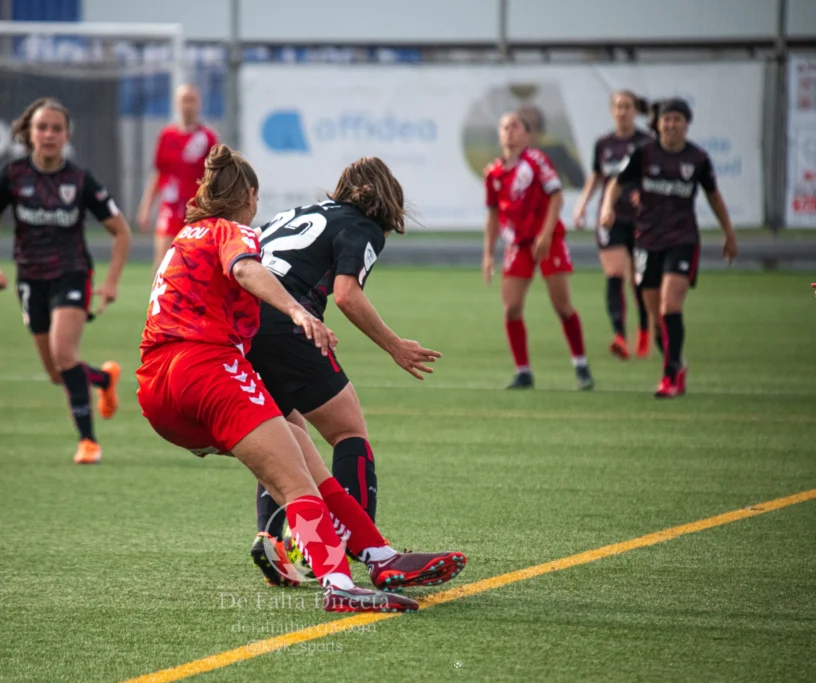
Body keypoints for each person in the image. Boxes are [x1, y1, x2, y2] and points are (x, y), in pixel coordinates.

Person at [136, 144, 466, 612]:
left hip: (156, 389)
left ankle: (380, 555)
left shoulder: (184, 237)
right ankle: (340, 584)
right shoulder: (232, 230)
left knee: (304, 457)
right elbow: (247, 269)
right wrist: (295, 309)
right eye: (255, 197)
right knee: (301, 483)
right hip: (207, 370)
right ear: (248, 193)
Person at [245, 157, 442, 586]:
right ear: (386, 200)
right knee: (348, 430)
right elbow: (347, 295)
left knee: (280, 432)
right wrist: (395, 346)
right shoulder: (363, 224)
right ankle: (359, 547)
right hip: (288, 323)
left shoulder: (296, 213)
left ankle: (271, 537)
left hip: (242, 324)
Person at [0, 97, 132, 464]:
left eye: (56, 129)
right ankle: (102, 380)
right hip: (30, 278)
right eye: (42, 128)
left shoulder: (80, 181)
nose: (49, 134)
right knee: (55, 372)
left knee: (64, 356)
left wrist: (110, 283)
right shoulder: (12, 176)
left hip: (72, 273)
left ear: (67, 136)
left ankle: (88, 443)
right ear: (29, 134)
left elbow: (121, 232)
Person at [601, 98, 738, 398]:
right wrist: (607, 208)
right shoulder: (644, 153)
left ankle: (669, 377)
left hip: (682, 239)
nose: (672, 124)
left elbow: (714, 197)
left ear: (687, 124)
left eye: (677, 119)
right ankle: (677, 363)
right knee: (655, 319)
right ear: (658, 123)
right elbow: (616, 183)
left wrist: (729, 232)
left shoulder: (697, 159)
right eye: (667, 119)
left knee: (670, 307)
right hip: (647, 240)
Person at [483, 112, 594, 391]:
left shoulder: (536, 160)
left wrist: (545, 235)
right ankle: (523, 372)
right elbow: (493, 215)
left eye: (515, 126)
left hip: (548, 240)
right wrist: (487, 254)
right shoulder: (494, 172)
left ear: (526, 134)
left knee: (562, 306)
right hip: (518, 244)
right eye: (504, 126)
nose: (509, 131)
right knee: (511, 308)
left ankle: (581, 364)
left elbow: (556, 195)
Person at [572, 90, 654, 360]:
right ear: (611, 110)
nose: (622, 111)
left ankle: (643, 328)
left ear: (635, 110)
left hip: (642, 218)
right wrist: (582, 205)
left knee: (640, 280)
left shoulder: (646, 142)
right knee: (614, 273)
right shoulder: (604, 144)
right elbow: (597, 176)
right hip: (611, 218)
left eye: (627, 106)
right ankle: (619, 335)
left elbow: (656, 175)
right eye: (618, 106)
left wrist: (644, 193)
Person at [136, 84, 219, 272]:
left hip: (198, 209)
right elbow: (159, 173)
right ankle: (159, 300)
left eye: (192, 100)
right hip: (171, 207)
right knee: (163, 263)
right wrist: (146, 208)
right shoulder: (167, 135)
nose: (188, 105)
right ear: (176, 104)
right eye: (184, 100)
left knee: (197, 265)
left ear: (199, 104)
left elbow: (216, 178)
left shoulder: (207, 138)